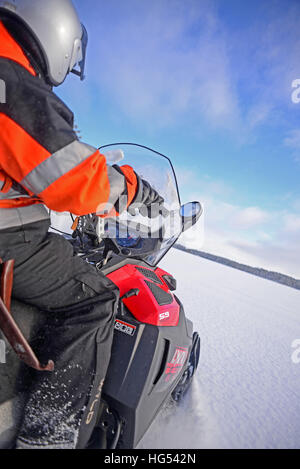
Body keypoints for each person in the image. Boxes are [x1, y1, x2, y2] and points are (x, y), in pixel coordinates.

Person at [0, 0, 163, 449]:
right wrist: (131, 187)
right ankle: (49, 437)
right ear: (57, 36)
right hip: (8, 239)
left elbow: (22, 167)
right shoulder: (13, 77)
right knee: (94, 299)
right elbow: (74, 177)